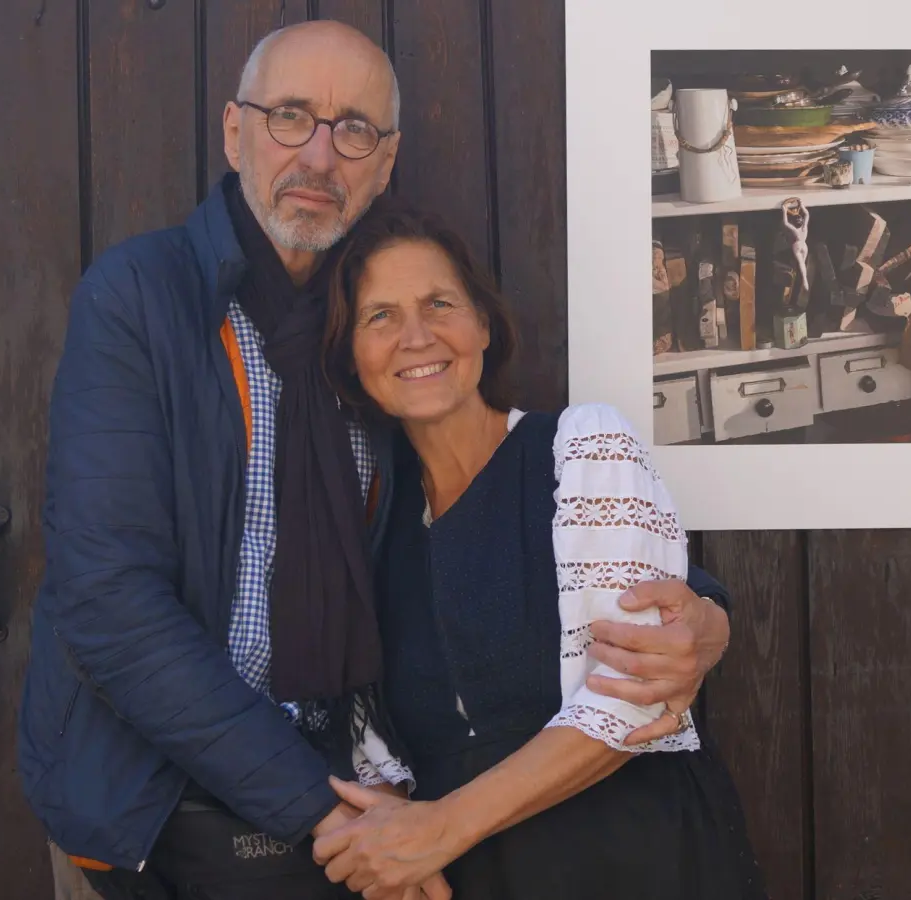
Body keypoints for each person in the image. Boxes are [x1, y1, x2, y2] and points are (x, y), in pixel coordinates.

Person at [18, 20, 735, 900]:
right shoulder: (141, 298)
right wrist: (340, 821)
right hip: (166, 812)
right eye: (291, 117)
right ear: (234, 130)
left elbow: (568, 537)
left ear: (386, 161)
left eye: (353, 129)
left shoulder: (369, 345)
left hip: (352, 827)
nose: (320, 156)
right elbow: (107, 601)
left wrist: (704, 613)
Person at [299, 200, 766, 899]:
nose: (416, 336)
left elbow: (635, 700)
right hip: (475, 879)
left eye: (439, 303)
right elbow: (382, 745)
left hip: (636, 861)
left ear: (482, 324)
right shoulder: (375, 517)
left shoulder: (580, 451)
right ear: (351, 355)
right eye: (380, 317)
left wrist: (441, 828)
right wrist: (394, 836)